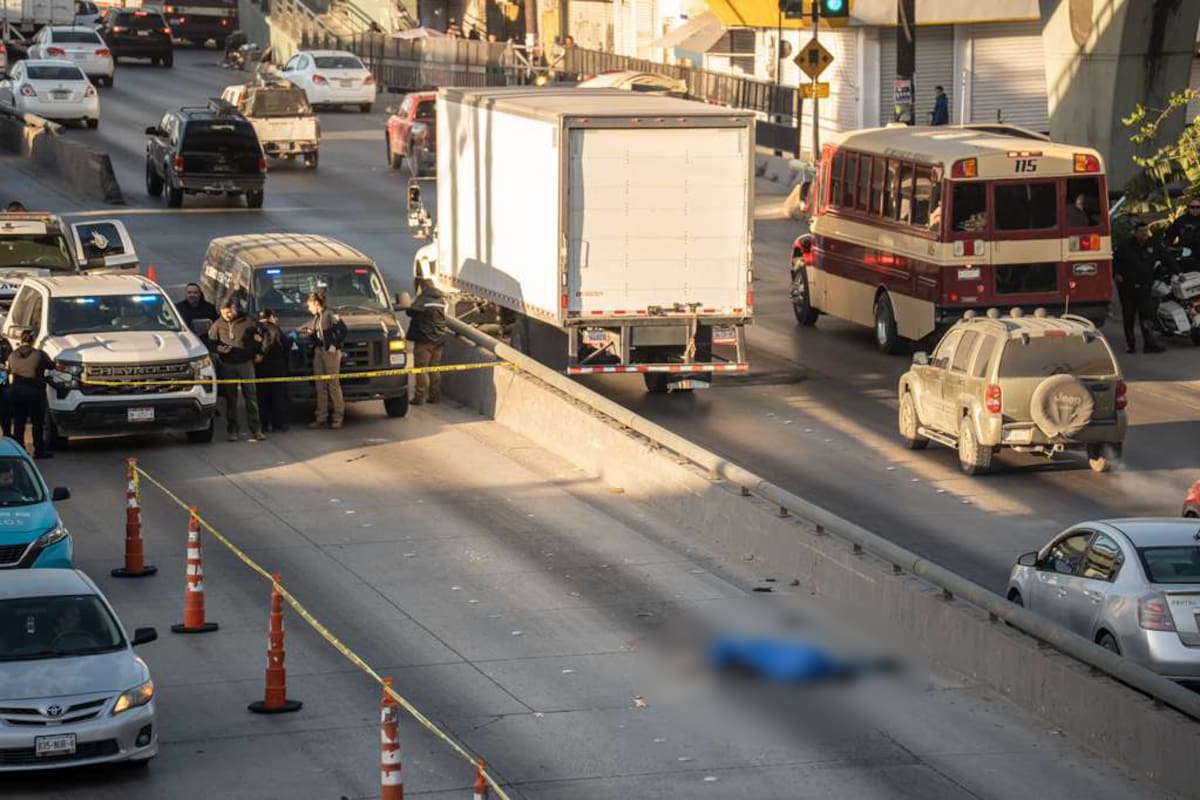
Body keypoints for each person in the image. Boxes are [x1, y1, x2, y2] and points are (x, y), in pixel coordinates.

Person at [208, 301, 265, 441]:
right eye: (224, 313)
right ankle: (233, 430)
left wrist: (260, 352)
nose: (227, 315)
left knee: (251, 397)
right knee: (231, 399)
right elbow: (210, 342)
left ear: (234, 310)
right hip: (228, 365)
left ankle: (256, 429)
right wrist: (218, 349)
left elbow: (266, 333)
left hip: (246, 363)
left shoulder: (248, 321)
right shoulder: (217, 325)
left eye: (229, 312)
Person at [1113, 221, 1170, 354]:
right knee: (1129, 315)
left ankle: (1149, 344)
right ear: (1135, 233)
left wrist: (1177, 272)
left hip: (1145, 285)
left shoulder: (1153, 244)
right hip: (1128, 286)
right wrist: (1116, 274)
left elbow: (1167, 258)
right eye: (1141, 232)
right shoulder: (1125, 246)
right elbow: (1115, 262)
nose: (1145, 234)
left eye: (1146, 231)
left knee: (1146, 315)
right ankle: (1130, 344)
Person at [7, 330, 53, 459]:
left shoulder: (12, 355)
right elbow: (51, 366)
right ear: (33, 340)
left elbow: (10, 370)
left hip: (17, 393)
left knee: (19, 423)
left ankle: (20, 451)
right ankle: (39, 451)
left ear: (21, 340)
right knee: (37, 424)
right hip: (35, 393)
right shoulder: (39, 354)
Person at [304, 292, 345, 429]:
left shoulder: (330, 314)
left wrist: (334, 345)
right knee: (320, 385)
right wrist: (311, 335)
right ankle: (321, 417)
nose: (308, 308)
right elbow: (319, 336)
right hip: (319, 352)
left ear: (316, 303)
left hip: (330, 353)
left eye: (310, 305)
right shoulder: (317, 317)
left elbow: (343, 330)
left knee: (333, 385)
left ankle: (337, 417)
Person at [406, 278, 448, 405]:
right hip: (439, 340)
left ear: (423, 287)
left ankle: (419, 397)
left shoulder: (422, 299)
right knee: (435, 369)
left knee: (421, 369)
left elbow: (410, 311)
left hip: (424, 340)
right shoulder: (441, 300)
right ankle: (435, 396)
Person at [256, 308, 290, 433]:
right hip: (277, 366)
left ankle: (264, 424)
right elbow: (286, 345)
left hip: (261, 367)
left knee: (262, 397)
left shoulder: (256, 329)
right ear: (271, 317)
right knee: (278, 396)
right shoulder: (275, 329)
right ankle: (279, 423)